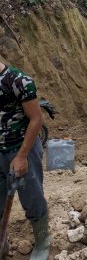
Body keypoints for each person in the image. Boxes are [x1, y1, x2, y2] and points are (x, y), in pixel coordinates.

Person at [0, 62, 50, 260]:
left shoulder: (19, 81)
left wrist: (21, 156)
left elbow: (36, 119)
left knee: (32, 197)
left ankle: (43, 240)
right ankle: (2, 243)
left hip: (21, 149)